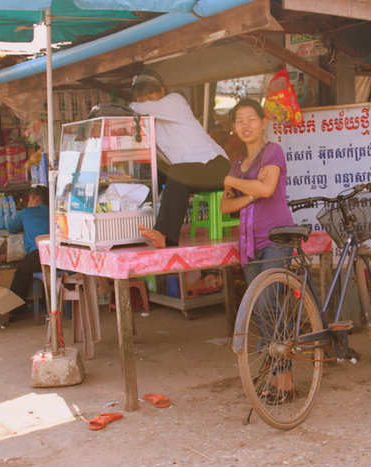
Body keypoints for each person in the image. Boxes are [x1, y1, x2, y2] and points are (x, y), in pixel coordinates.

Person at [220, 98, 294, 400]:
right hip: (250, 245)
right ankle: (277, 376)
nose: (245, 125)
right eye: (239, 121)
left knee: (266, 303)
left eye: (251, 119)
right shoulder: (238, 166)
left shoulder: (272, 151)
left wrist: (236, 184)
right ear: (235, 128)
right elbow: (227, 206)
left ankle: (285, 380)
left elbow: (267, 189)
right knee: (260, 311)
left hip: (277, 238)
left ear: (263, 122)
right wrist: (248, 193)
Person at [129, 70, 230, 248]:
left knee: (178, 173)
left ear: (162, 91)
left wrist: (129, 106)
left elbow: (138, 108)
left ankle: (165, 235)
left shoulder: (175, 101)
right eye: (140, 95)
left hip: (218, 167)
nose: (145, 99)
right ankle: (131, 228)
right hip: (194, 171)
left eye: (149, 94)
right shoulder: (152, 122)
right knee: (154, 176)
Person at [8, 185, 50, 303]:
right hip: (59, 256)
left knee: (21, 272)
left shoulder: (26, 212)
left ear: (36, 198)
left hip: (38, 256)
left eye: (30, 198)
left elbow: (11, 228)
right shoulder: (54, 211)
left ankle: (15, 307)